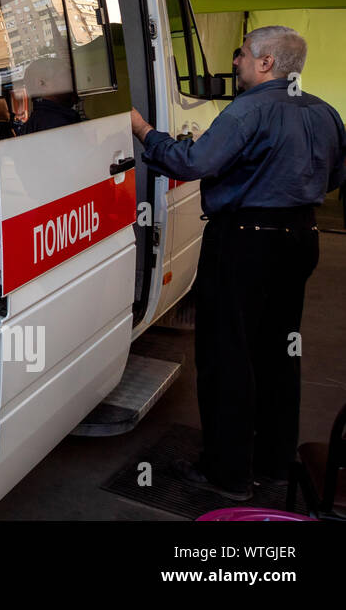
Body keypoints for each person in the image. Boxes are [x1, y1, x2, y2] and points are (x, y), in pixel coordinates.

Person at [129, 25, 346, 500]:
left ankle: (227, 474)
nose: (236, 61)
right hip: (301, 239)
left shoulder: (248, 110)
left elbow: (192, 163)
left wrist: (144, 131)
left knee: (228, 354)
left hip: (245, 241)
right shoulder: (324, 111)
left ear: (266, 63)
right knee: (279, 352)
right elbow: (333, 177)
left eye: (243, 54)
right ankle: (272, 463)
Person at [19, 56, 80, 134]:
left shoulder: (35, 124)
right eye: (65, 76)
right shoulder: (58, 125)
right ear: (42, 84)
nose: (72, 82)